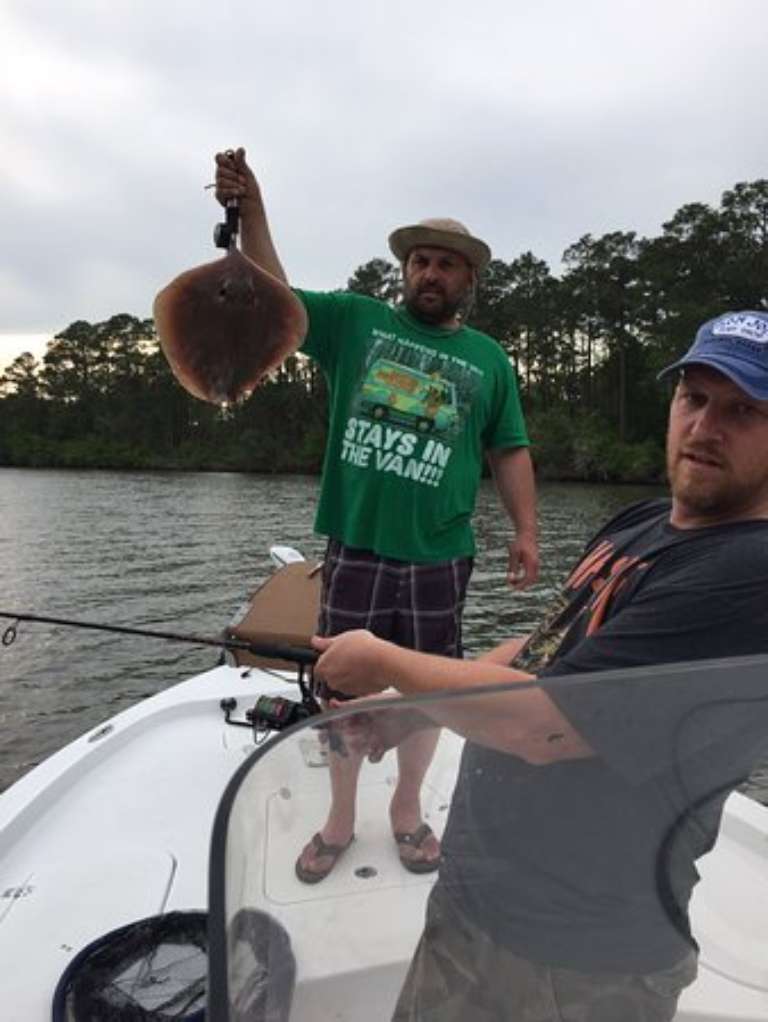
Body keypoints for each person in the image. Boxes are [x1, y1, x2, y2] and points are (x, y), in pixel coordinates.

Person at [311, 310, 768, 1020]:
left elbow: (543, 728)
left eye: (744, 410)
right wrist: (406, 710)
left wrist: (385, 661)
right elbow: (543, 648)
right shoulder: (642, 522)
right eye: (695, 398)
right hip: (476, 902)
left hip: (581, 961)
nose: (706, 427)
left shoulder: (748, 573)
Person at [214, 148, 539, 882]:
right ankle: (338, 817)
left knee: (428, 690)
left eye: (447, 265)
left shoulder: (489, 360)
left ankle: (406, 809)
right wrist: (254, 210)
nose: (431, 273)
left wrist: (526, 531)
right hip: (356, 547)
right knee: (338, 691)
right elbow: (274, 294)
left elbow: (510, 449)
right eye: (421, 260)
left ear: (469, 281)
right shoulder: (353, 324)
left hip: (441, 554)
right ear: (405, 270)